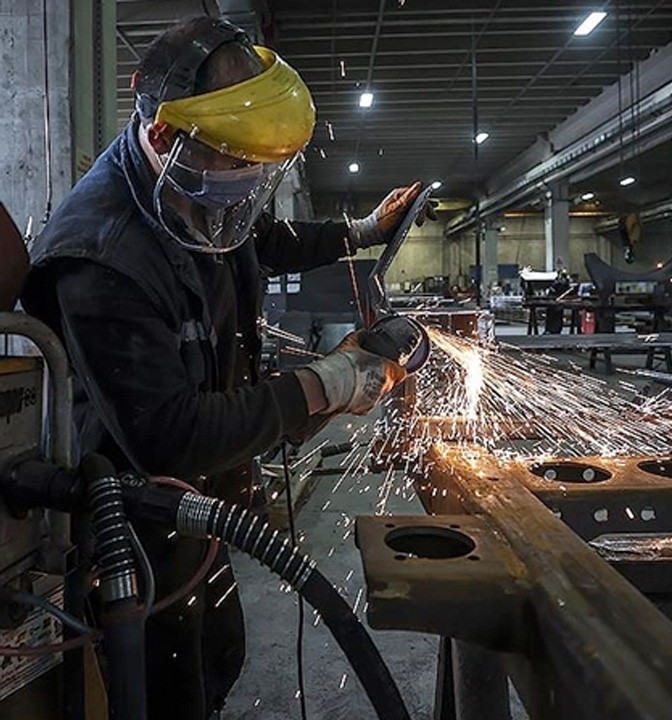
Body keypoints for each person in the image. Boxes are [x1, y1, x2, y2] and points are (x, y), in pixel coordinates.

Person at [21, 16, 431, 720]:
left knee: (220, 656)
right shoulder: (100, 260)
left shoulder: (200, 185)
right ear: (163, 136)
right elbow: (170, 434)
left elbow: (260, 236)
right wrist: (330, 383)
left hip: (204, 504)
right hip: (133, 520)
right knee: (165, 688)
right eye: (232, 163)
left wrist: (361, 233)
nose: (245, 184)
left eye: (257, 169)